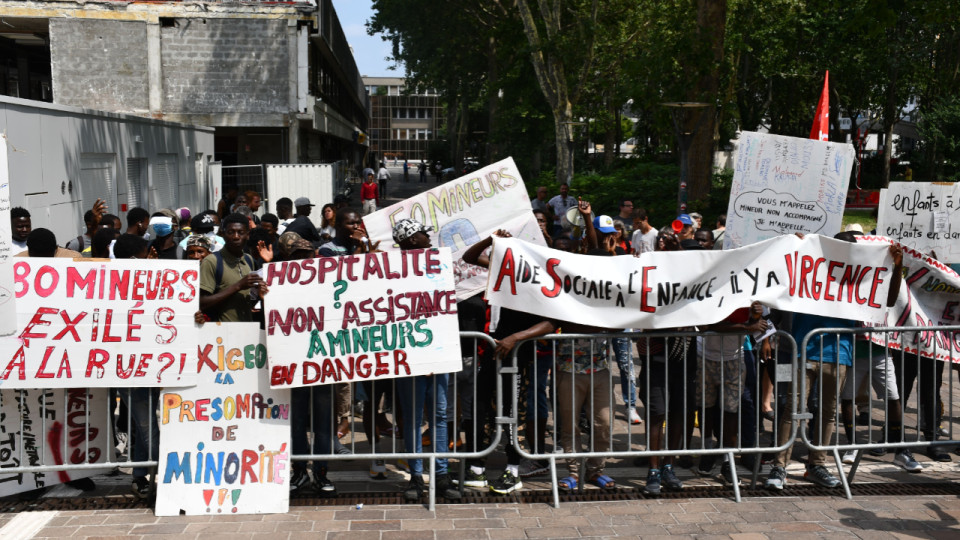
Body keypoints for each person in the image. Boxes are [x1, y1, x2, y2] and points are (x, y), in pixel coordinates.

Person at [765, 232, 904, 491]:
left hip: (839, 353)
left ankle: (817, 464)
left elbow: (888, 300)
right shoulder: (811, 268)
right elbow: (782, 280)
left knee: (828, 412)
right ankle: (779, 466)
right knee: (792, 410)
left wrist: (897, 269)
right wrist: (796, 248)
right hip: (803, 350)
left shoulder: (859, 279)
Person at [462, 230, 558, 495]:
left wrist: (516, 337)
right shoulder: (497, 271)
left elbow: (551, 321)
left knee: (514, 412)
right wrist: (492, 240)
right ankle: (477, 466)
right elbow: (469, 256)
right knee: (481, 410)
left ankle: (513, 469)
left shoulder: (532, 282)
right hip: (490, 354)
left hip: (517, 359)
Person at [390, 219, 461, 501]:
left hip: (438, 354)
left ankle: (441, 475)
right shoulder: (392, 271)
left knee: (439, 416)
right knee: (413, 418)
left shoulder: (437, 264)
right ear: (410, 241)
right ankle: (416, 477)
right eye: (422, 234)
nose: (428, 238)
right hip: (410, 357)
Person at [112, 233, 163, 498]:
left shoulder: (118, 279)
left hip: (146, 364)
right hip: (132, 367)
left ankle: (140, 476)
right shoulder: (125, 282)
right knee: (146, 427)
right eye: (146, 252)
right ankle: (169, 473)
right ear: (136, 257)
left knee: (141, 424)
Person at [198, 213, 267, 323]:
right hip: (221, 335)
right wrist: (239, 286)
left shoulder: (249, 260)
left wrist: (259, 294)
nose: (236, 237)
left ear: (248, 235)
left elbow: (249, 301)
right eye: (231, 232)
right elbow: (201, 303)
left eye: (241, 232)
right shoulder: (212, 261)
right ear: (223, 234)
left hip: (247, 332)